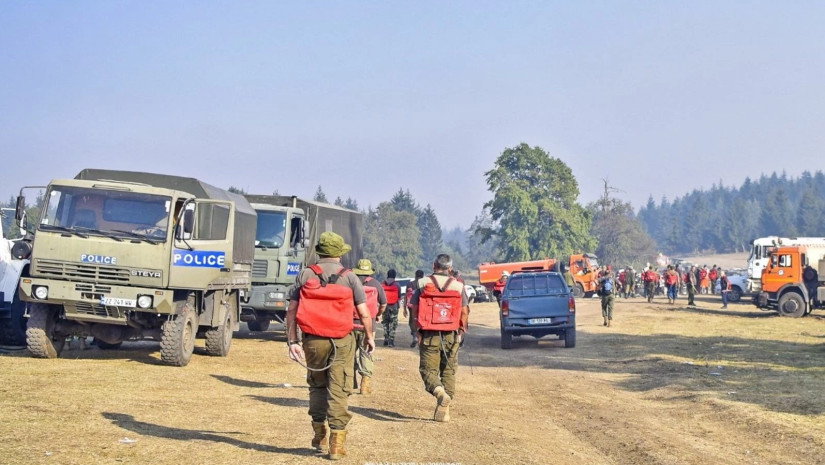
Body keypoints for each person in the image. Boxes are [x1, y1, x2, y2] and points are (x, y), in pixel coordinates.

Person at [286, 231, 375, 460]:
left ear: (320, 252)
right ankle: (336, 444)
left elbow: (292, 311)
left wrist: (292, 341)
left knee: (317, 385)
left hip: (313, 339)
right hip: (342, 340)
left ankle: (319, 435)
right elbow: (364, 313)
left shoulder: (306, 274)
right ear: (339, 255)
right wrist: (369, 337)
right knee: (339, 388)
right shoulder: (350, 277)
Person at [410, 254, 470, 423]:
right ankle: (446, 408)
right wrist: (460, 332)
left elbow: (415, 309)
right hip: (451, 334)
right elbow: (464, 311)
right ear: (450, 268)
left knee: (428, 370)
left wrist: (418, 331)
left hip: (429, 334)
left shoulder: (422, 283)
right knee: (449, 371)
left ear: (433, 265)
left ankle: (440, 394)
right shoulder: (458, 286)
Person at [352, 258, 387, 396]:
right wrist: (377, 314)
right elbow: (383, 304)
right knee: (366, 352)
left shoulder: (350, 281)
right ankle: (364, 385)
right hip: (369, 325)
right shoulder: (376, 284)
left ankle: (349, 382)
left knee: (348, 353)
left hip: (350, 323)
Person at [403, 269, 425, 348]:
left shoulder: (410, 284)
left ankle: (415, 336)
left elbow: (406, 296)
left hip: (411, 305)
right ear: (422, 276)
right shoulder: (424, 284)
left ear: (415, 275)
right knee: (421, 322)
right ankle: (421, 338)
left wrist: (404, 308)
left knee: (412, 321)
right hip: (422, 305)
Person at [381, 269, 402, 347]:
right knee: (393, 323)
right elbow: (399, 296)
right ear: (395, 276)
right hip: (394, 306)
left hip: (384, 306)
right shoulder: (397, 285)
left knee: (385, 322)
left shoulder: (382, 284)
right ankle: (391, 341)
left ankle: (386, 337)